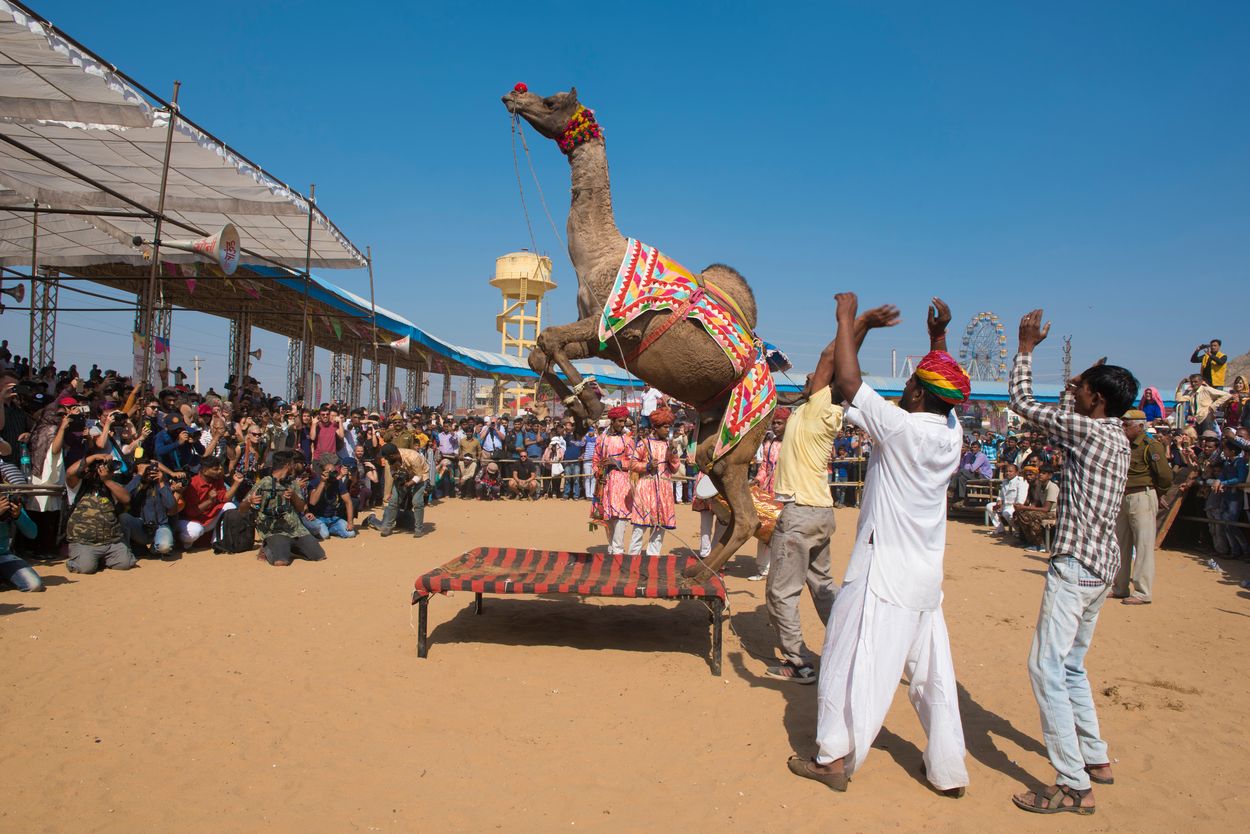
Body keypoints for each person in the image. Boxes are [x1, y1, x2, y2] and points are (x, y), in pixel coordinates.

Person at [788, 294, 970, 799]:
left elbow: (848, 383)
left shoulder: (899, 428)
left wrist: (846, 317)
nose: (905, 388)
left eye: (911, 382)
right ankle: (948, 771)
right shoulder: (950, 435)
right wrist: (937, 339)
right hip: (925, 579)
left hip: (881, 572)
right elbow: (940, 392)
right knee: (932, 678)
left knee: (845, 662)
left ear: (916, 393)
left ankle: (832, 758)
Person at [1008, 308, 1136, 815]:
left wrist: (1024, 350)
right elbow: (1069, 415)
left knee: (1045, 667)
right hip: (1101, 565)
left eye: (1082, 387)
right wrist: (1082, 377)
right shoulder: (1111, 433)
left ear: (1097, 400)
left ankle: (1072, 783)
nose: (1075, 390)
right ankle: (1096, 758)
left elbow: (1021, 403)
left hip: (1077, 564)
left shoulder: (1089, 432)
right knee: (1073, 667)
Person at [764, 299, 908, 683]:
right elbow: (837, 359)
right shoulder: (822, 412)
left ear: (823, 387)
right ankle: (850, 646)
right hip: (822, 514)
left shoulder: (816, 408)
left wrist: (855, 320)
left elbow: (833, 354)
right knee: (823, 587)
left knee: (781, 593)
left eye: (814, 376)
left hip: (799, 515)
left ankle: (798, 662)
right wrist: (863, 328)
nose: (810, 375)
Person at [1111, 410, 1173, 604]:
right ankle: (1120, 587)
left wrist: (1158, 493)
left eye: (1127, 425)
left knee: (1143, 545)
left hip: (1142, 495)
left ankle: (1142, 591)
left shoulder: (1151, 446)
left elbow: (1164, 476)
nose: (1124, 428)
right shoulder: (1122, 444)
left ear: (1140, 426)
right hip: (1124, 495)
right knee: (1121, 543)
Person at [64, 451, 136, 574]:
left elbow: (126, 499)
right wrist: (94, 457)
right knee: (86, 568)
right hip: (84, 542)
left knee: (125, 564)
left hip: (110, 542)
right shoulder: (78, 486)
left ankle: (99, 558)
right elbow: (70, 473)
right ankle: (83, 559)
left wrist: (107, 481)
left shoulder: (110, 485)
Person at [250, 451, 326, 566]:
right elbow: (242, 507)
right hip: (275, 530)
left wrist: (293, 496)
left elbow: (301, 508)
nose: (294, 466)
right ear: (287, 465)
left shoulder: (293, 483)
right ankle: (267, 548)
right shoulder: (264, 483)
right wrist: (250, 502)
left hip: (296, 529)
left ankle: (292, 547)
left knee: (319, 556)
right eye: (292, 463)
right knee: (281, 562)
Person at [627, 407, 681, 555]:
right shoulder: (643, 443)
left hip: (664, 489)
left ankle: (653, 559)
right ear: (655, 428)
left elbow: (675, 468)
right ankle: (632, 558)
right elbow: (632, 464)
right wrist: (647, 466)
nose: (667, 430)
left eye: (668, 427)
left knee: (659, 529)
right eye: (665, 427)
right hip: (646, 489)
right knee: (639, 528)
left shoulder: (669, 446)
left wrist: (673, 454)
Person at [591, 405, 636, 554]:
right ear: (612, 420)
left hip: (622, 482)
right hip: (604, 483)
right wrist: (598, 473)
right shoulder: (601, 439)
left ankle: (618, 550)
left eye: (624, 421)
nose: (623, 424)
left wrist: (616, 463)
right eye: (620, 421)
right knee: (608, 517)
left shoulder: (628, 439)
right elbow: (596, 459)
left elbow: (634, 462)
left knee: (621, 516)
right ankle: (612, 548)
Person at [749, 411, 787, 581]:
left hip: (786, 493)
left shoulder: (793, 443)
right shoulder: (768, 444)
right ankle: (764, 568)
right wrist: (758, 479)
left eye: (779, 423)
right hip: (768, 492)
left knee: (785, 530)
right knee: (765, 529)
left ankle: (782, 568)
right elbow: (764, 466)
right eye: (774, 423)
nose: (776, 426)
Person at [119, 460, 176, 558]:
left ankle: (155, 547)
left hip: (160, 526)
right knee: (123, 517)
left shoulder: (160, 484)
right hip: (140, 527)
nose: (148, 474)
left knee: (164, 547)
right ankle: (126, 550)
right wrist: (139, 475)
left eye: (150, 470)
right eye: (146, 471)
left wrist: (162, 483)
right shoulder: (135, 484)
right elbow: (124, 495)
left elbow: (171, 505)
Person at [376, 442, 430, 537]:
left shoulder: (413, 457)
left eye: (387, 457)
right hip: (404, 476)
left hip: (420, 476)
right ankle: (388, 527)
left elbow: (419, 476)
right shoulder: (392, 459)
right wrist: (396, 476)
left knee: (417, 502)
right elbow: (392, 470)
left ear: (393, 455)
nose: (386, 460)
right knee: (393, 501)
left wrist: (408, 484)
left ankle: (419, 529)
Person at [306, 453, 357, 539]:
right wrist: (322, 482)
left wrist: (350, 522)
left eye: (334, 472)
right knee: (324, 535)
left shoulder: (337, 482)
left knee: (350, 533)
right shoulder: (315, 482)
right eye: (330, 472)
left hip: (333, 518)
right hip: (318, 517)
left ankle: (330, 529)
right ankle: (326, 529)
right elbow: (312, 502)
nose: (333, 474)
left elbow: (348, 502)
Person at [0, 489, 42, 591]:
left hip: (3, 555)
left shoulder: (8, 502)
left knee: (33, 585)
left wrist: (18, 516)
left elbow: (32, 534)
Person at [1014, 466, 1060, 552]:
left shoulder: (1052, 487)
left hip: (1054, 513)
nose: (1041, 475)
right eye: (1040, 473)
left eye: (1043, 473)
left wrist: (1024, 507)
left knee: (1031, 515)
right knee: (1020, 513)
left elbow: (1046, 509)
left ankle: (1041, 544)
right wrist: (1021, 508)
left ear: (1050, 476)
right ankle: (1030, 541)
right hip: (1047, 512)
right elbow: (1033, 504)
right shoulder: (1041, 486)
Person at [986, 461, 1027, 535]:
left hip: (1014, 506)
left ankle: (1018, 531)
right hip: (1005, 505)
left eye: (1011, 471)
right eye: (1006, 471)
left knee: (1006, 512)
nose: (1008, 473)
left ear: (1016, 472)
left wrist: (1015, 507)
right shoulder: (1005, 481)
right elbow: (1001, 495)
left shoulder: (1021, 481)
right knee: (989, 506)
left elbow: (1021, 499)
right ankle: (1000, 528)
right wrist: (999, 501)